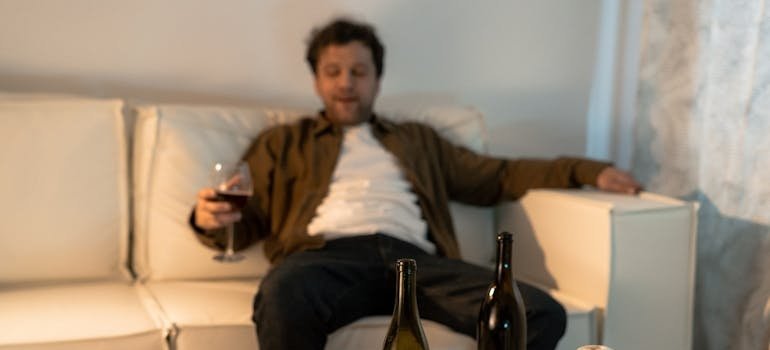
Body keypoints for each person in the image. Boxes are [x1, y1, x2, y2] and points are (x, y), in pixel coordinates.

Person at [190, 17, 641, 350]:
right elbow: (243, 221)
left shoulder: (416, 140)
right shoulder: (282, 143)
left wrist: (585, 170)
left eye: (359, 71)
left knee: (540, 312)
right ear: (316, 80)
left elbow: (499, 175)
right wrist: (208, 217)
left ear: (377, 79)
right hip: (324, 260)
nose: (346, 83)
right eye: (333, 71)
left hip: (417, 262)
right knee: (282, 292)